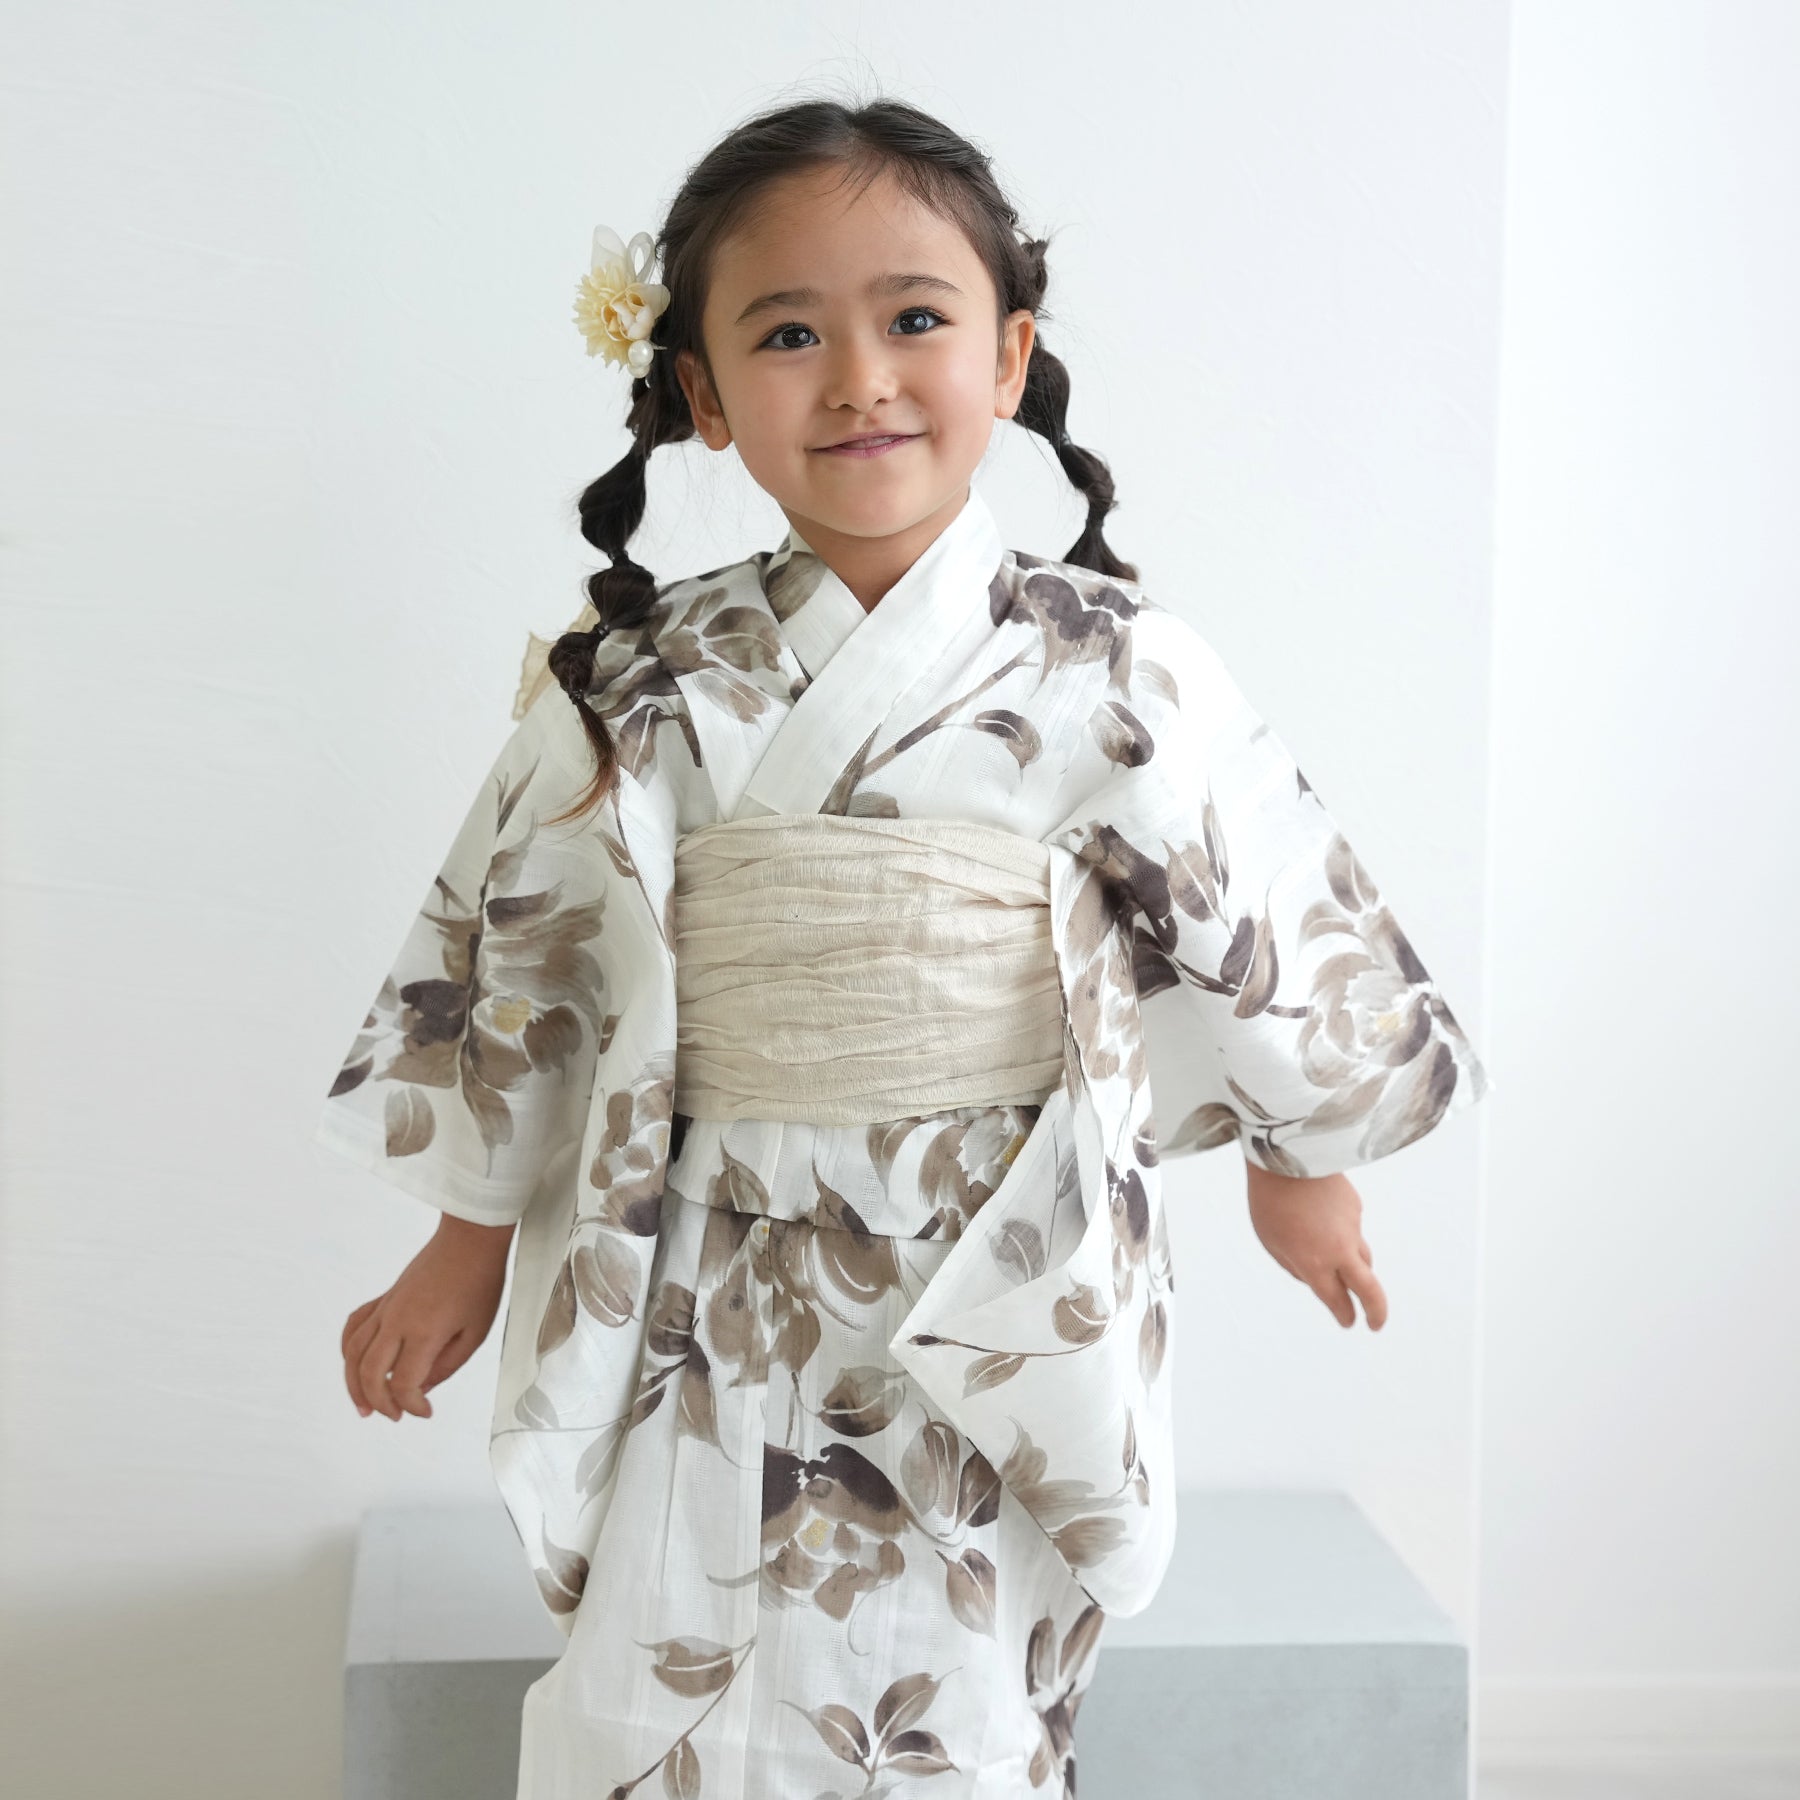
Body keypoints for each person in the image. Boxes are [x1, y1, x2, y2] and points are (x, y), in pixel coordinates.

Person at [317, 93, 1492, 1800]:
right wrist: (466, 1240)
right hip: (708, 1255)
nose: (860, 378)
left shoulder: (1114, 666)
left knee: (958, 1692)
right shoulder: (642, 682)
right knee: (666, 1648)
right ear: (703, 396)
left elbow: (1240, 904)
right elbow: (534, 956)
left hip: (996, 1260)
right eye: (790, 334)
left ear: (1010, 359)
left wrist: (1302, 1162)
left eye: (916, 319)